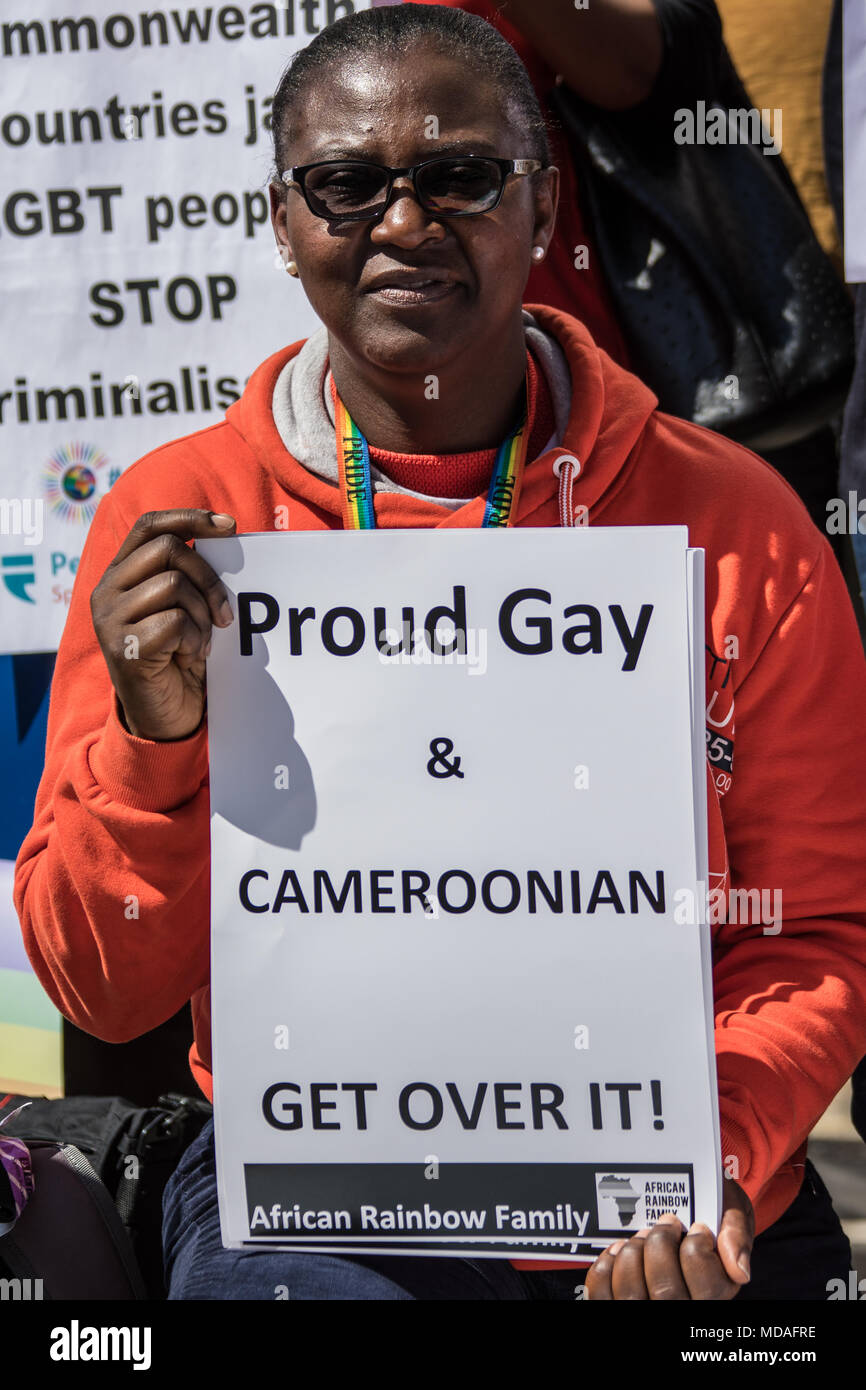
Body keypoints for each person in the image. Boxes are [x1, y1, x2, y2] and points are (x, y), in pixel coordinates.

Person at [13, 4, 866, 1300]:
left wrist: (709, 1162)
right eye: (346, 185)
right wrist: (157, 741)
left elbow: (810, 933)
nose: (404, 226)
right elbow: (101, 984)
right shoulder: (183, 520)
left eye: (459, 178)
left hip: (673, 1194)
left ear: (541, 205)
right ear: (282, 220)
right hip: (320, 1204)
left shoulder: (734, 523)